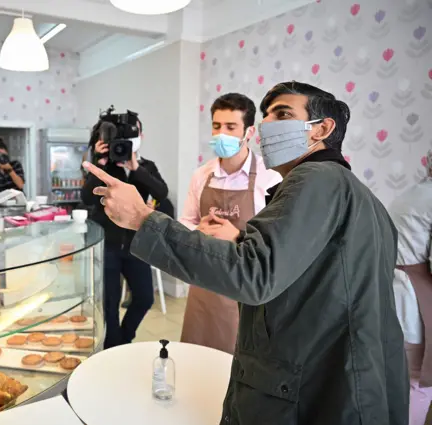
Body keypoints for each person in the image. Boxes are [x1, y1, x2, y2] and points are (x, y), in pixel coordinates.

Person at [83, 81, 408, 424]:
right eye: (266, 115)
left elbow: (255, 274)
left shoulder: (316, 178)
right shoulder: (364, 200)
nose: (268, 124)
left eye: (282, 113)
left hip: (318, 376)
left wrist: (142, 218)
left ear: (322, 129)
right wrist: (239, 241)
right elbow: (306, 271)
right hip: (341, 370)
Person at [178, 93, 281, 354]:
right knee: (197, 356)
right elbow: (185, 222)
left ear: (248, 132)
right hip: (204, 281)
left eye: (230, 127)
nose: (221, 133)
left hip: (244, 286)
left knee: (239, 358)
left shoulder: (269, 178)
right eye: (216, 126)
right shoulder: (201, 175)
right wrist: (197, 230)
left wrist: (237, 235)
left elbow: (277, 241)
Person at [81, 118, 168, 349]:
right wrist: (98, 164)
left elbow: (162, 191)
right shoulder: (105, 166)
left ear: (141, 136)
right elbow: (86, 198)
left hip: (136, 244)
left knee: (144, 297)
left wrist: (136, 169)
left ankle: (124, 339)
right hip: (107, 245)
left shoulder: (146, 166)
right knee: (109, 303)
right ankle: (112, 347)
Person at [389, 149, 432, 425]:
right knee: (418, 383)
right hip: (414, 298)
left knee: (402, 382)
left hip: (395, 292)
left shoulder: (413, 192)